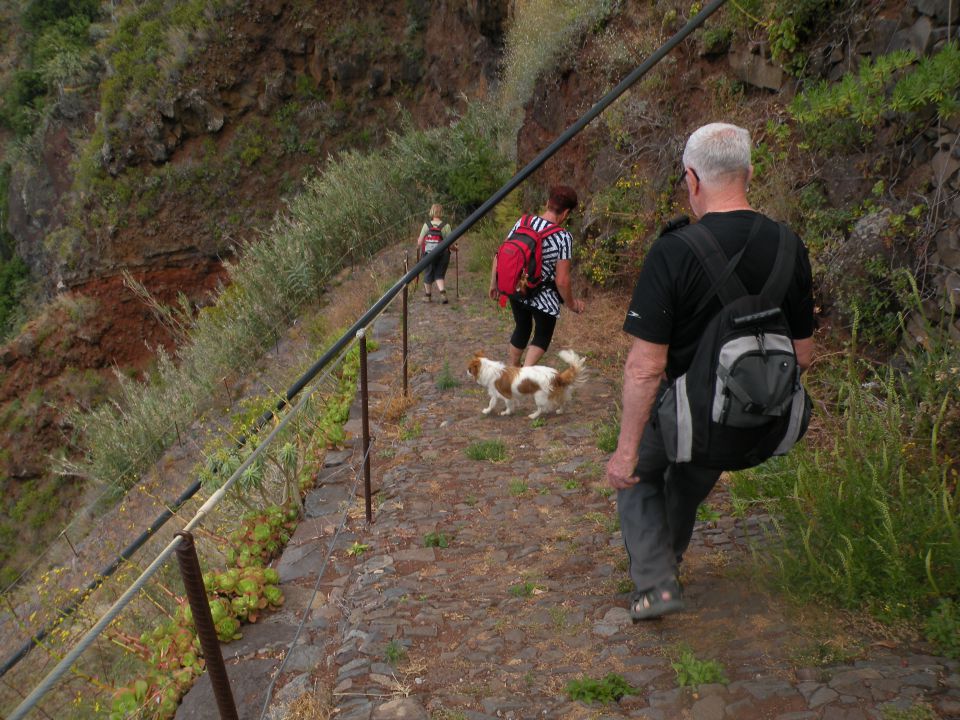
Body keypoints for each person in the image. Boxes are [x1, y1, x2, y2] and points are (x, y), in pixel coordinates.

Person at [605, 123, 815, 620]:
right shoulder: (789, 244)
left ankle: (657, 584)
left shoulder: (674, 251)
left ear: (692, 179)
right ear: (749, 172)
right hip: (749, 421)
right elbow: (803, 354)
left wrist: (626, 450)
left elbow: (645, 367)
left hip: (687, 415)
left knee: (639, 477)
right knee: (688, 477)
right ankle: (667, 562)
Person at [488, 185, 585, 367]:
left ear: (548, 203)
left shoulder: (523, 222)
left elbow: (501, 254)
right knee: (542, 334)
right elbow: (562, 280)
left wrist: (494, 283)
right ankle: (524, 374)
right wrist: (572, 304)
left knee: (522, 327)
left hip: (518, 288)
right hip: (544, 296)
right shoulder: (563, 237)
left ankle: (512, 369)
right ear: (566, 213)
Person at [417, 204, 455, 304]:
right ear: (441, 212)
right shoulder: (446, 226)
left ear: (431, 212)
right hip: (443, 254)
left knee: (428, 273)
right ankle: (443, 294)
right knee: (439, 274)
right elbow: (450, 244)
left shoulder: (427, 225)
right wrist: (455, 249)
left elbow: (419, 242)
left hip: (429, 254)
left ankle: (427, 296)